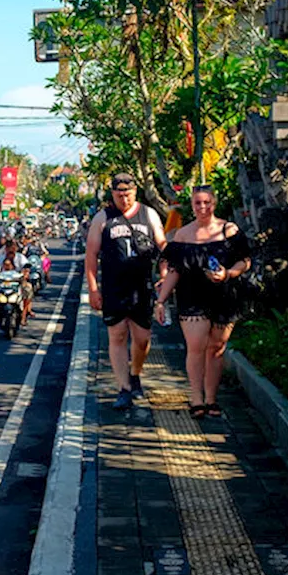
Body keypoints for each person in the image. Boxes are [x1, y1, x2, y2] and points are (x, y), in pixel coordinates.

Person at [154, 184, 252, 419]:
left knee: (217, 348)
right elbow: (174, 270)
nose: (202, 207)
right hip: (191, 296)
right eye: (197, 203)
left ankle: (211, 398)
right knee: (196, 346)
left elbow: (245, 261)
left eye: (207, 202)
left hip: (225, 295)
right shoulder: (183, 234)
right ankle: (196, 398)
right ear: (192, 205)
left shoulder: (229, 230)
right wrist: (161, 301)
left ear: (214, 203)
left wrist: (228, 274)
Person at [86, 172, 168, 411]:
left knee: (142, 339)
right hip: (114, 287)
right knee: (118, 335)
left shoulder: (148, 214)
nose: (124, 199)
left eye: (128, 194)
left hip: (141, 286)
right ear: (113, 194)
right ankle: (123, 388)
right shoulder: (103, 218)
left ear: (136, 192)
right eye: (119, 194)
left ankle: (135, 374)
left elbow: (162, 246)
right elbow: (91, 255)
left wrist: (165, 274)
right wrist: (93, 288)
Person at [0, 238, 33, 322]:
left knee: (28, 289)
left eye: (13, 248)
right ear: (6, 249)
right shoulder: (1, 258)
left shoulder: (20, 257)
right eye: (8, 248)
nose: (11, 250)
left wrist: (26, 273)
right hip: (4, 282)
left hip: (18, 282)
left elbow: (26, 266)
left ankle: (24, 314)